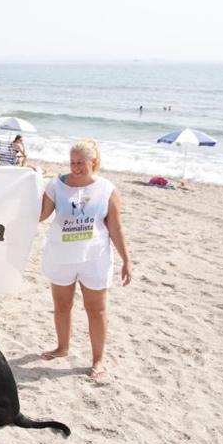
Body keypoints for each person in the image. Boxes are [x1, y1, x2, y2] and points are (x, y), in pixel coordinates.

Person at [38, 139, 132, 380]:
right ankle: (62, 347)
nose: (76, 167)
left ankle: (98, 360)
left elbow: (116, 228)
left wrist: (126, 260)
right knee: (62, 306)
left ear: (94, 162)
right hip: (61, 256)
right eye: (72, 162)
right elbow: (40, 215)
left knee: (96, 310)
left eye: (81, 163)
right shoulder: (56, 185)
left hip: (94, 258)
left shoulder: (107, 190)